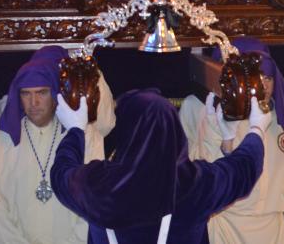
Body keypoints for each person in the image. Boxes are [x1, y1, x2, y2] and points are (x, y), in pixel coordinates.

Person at [52, 89, 270, 243]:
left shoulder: (97, 184)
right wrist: (256, 129)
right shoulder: (195, 184)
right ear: (174, 129)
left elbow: (61, 173)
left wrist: (75, 130)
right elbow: (243, 169)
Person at [195, 48, 284, 244]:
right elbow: (206, 174)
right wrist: (214, 130)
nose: (262, 85)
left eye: (268, 78)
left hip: (272, 229)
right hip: (228, 227)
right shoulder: (218, 119)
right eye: (256, 78)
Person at [0, 57, 105, 244]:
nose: (34, 102)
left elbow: (92, 204)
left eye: (42, 92)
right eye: (26, 93)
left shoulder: (85, 137)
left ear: (56, 93)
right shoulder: (0, 143)